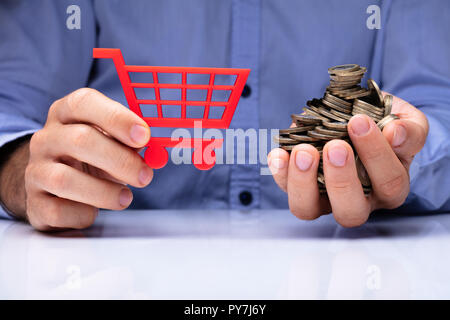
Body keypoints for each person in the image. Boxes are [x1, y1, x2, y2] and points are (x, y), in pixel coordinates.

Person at [0, 0, 448, 231]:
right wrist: (23, 170)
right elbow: (10, 111)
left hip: (351, 264)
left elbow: (436, 112)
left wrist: (401, 159)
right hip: (108, 265)